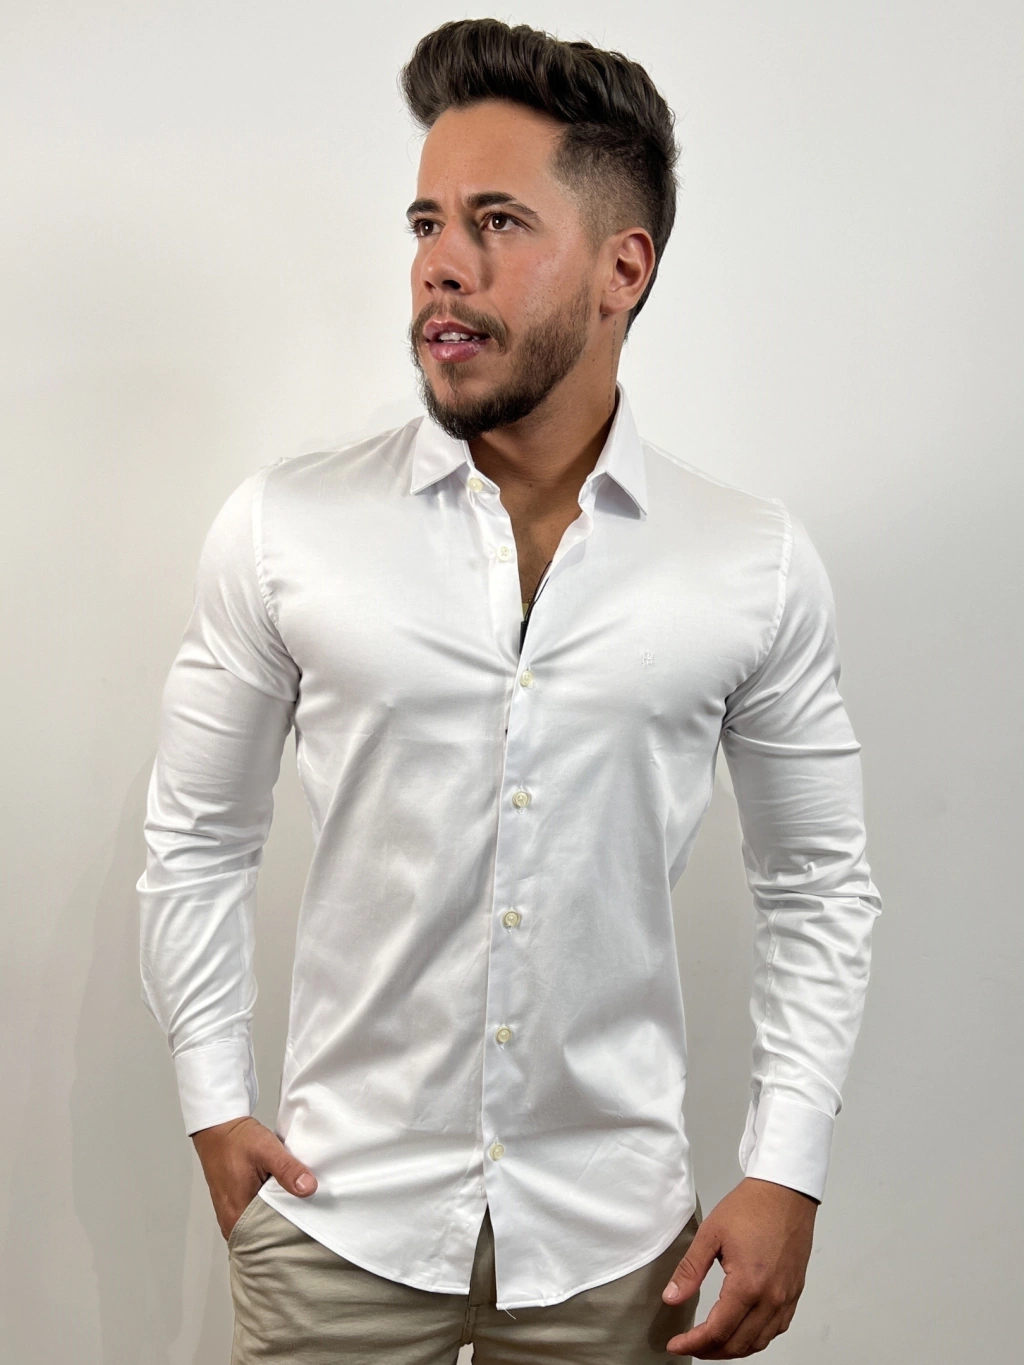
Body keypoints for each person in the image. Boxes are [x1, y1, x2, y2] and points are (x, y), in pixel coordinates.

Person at [137, 17, 882, 1364]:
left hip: (615, 1244)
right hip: (340, 1219)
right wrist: (210, 1099)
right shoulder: (285, 529)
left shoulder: (751, 564)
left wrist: (789, 1165)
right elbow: (197, 837)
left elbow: (818, 881)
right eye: (428, 222)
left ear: (622, 268)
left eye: (496, 222)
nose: (441, 263)